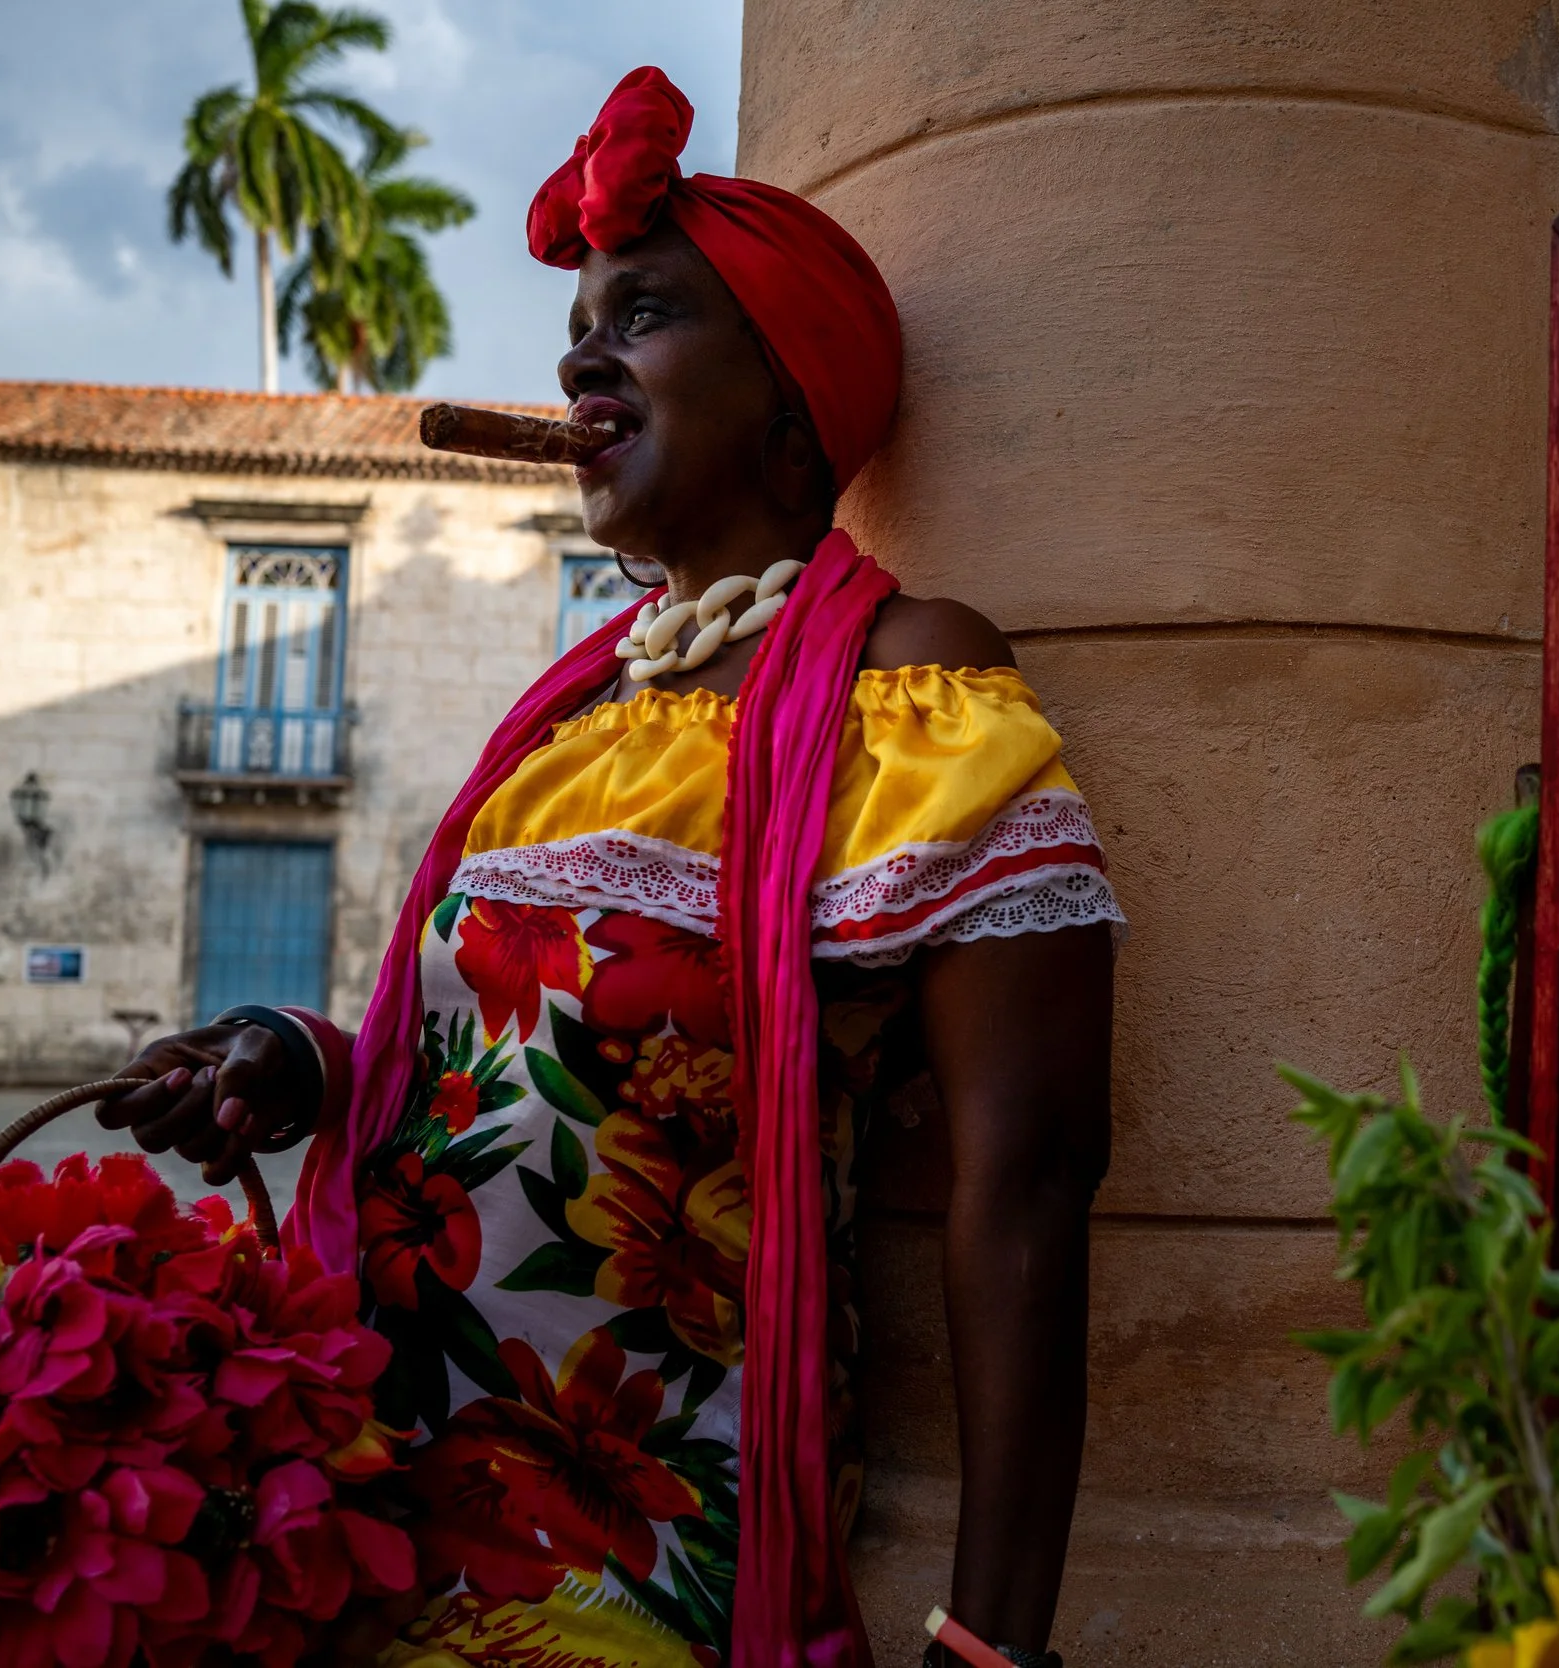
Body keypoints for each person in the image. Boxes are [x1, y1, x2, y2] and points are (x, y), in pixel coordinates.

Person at [99, 67, 1122, 1668]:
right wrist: (299, 1058)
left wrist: (993, 1642)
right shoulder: (576, 713)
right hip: (367, 1493)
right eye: (581, 323)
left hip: (626, 1550)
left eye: (641, 316)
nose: (580, 354)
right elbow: (507, 1069)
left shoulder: (906, 689)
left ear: (792, 406)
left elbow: (1031, 1183)